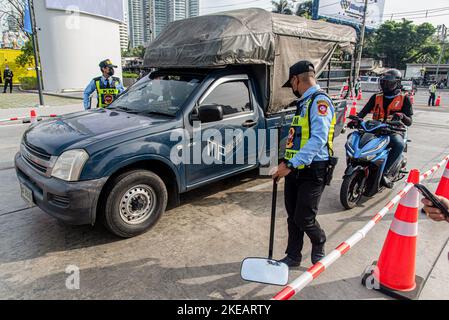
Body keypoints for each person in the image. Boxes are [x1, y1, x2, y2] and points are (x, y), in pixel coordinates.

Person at [272, 60, 337, 267]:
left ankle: (319, 241)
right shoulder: (304, 103)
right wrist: (284, 162)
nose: (292, 89)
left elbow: (318, 139)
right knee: (293, 216)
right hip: (294, 168)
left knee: (304, 217)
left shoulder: (320, 102)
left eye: (291, 84)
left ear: (295, 79)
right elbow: (298, 138)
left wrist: (289, 165)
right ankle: (293, 256)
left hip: (313, 170)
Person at [349, 69, 413, 189]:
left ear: (397, 83)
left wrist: (402, 116)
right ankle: (355, 164)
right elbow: (363, 112)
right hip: (375, 129)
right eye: (383, 82)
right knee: (354, 138)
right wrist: (356, 120)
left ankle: (385, 173)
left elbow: (409, 122)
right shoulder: (376, 97)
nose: (385, 85)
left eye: (388, 83)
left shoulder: (404, 98)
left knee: (398, 144)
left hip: (394, 130)